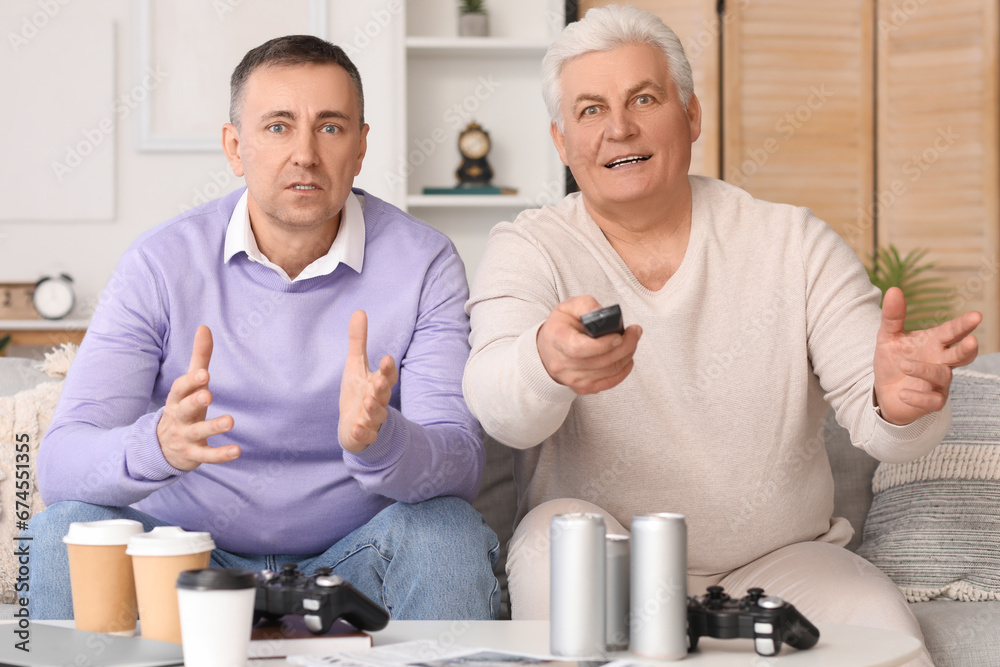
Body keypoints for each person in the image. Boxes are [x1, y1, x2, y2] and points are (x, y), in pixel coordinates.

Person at [462, 5, 979, 662]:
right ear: (562, 143)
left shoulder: (794, 242)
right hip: (606, 549)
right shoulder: (529, 247)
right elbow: (497, 403)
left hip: (781, 558)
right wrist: (545, 361)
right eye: (590, 110)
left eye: (644, 98)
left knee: (889, 637)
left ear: (691, 115)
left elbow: (878, 411)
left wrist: (899, 401)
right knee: (553, 544)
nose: (618, 127)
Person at [31, 35, 499, 620]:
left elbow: (460, 463)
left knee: (447, 533)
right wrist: (156, 445)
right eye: (278, 126)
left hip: (353, 566)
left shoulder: (424, 262)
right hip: (185, 563)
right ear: (235, 146)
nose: (305, 152)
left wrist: (382, 441)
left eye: (330, 127)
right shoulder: (158, 264)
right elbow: (59, 466)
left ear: (359, 147)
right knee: (60, 532)